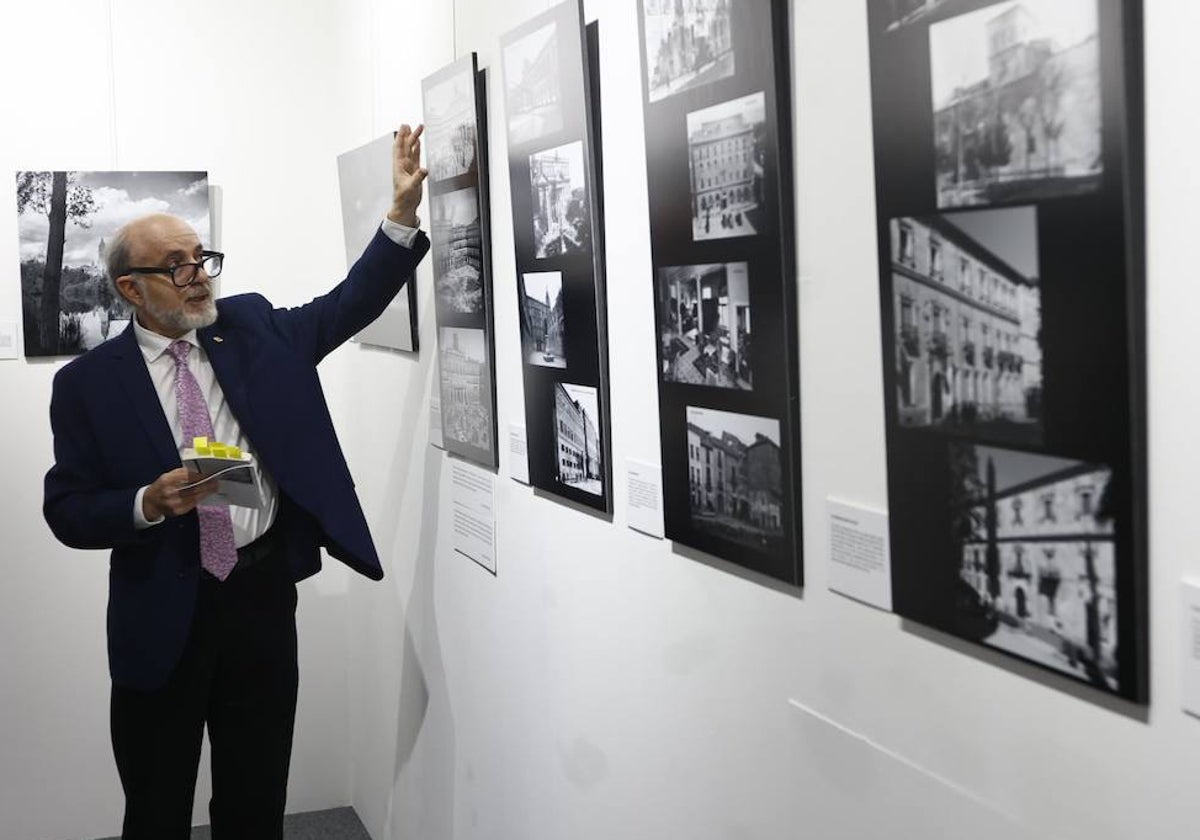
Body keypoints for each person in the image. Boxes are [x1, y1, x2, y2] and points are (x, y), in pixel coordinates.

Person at [43, 124, 429, 839]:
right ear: (131, 287)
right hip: (161, 611)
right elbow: (66, 508)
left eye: (202, 258)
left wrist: (400, 217)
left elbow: (346, 307)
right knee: (156, 807)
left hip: (257, 598)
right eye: (177, 266)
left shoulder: (249, 326)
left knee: (254, 801)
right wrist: (144, 503)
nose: (200, 275)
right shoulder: (87, 385)